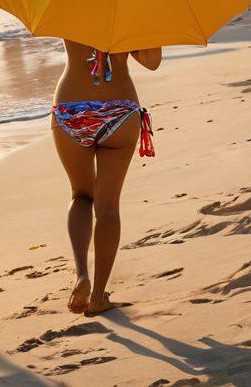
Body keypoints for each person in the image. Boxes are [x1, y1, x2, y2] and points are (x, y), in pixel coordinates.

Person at [52, 38, 160, 315]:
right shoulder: (131, 9)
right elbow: (152, 62)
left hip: (70, 108)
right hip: (119, 110)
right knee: (108, 207)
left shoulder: (65, 1)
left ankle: (81, 277)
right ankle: (98, 296)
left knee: (80, 195)